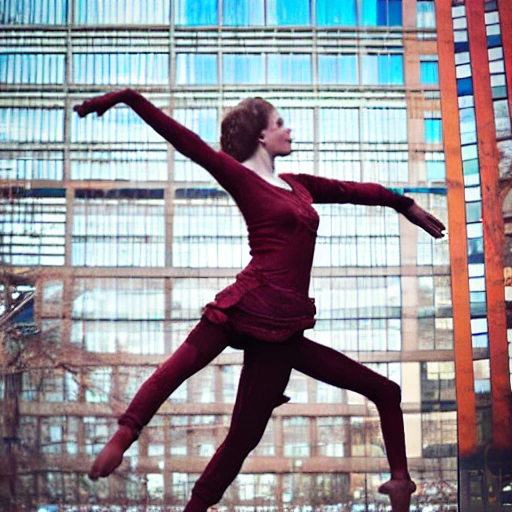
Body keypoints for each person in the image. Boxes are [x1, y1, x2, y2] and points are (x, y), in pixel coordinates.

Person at [74, 89, 445, 512]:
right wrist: (125, 98)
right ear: (261, 137)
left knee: (259, 432)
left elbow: (352, 189)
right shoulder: (239, 176)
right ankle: (122, 436)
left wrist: (404, 204)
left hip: (284, 328)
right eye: (279, 122)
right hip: (247, 304)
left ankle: (400, 484)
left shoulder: (298, 186)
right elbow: (183, 140)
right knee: (181, 366)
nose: (288, 130)